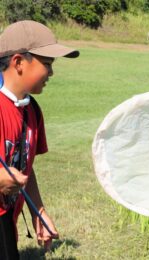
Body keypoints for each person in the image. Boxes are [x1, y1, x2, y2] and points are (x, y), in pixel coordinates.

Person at [0, 20, 79, 259]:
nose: (52, 72)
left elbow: (26, 167)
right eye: (47, 63)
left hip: (7, 222)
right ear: (18, 62)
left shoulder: (32, 110)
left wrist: (38, 211)